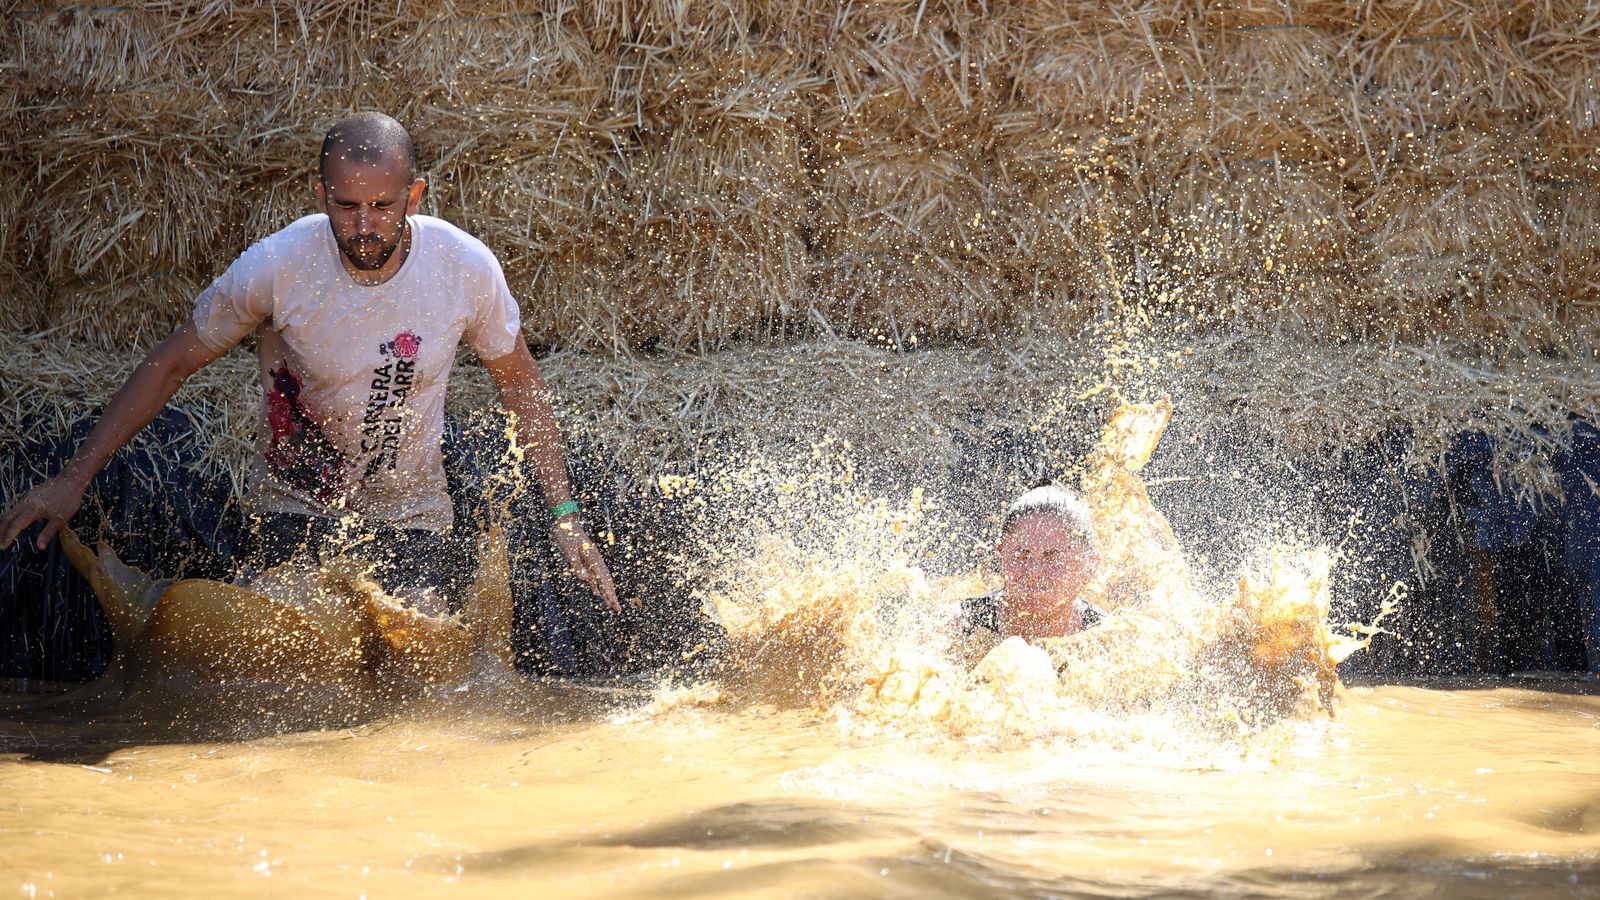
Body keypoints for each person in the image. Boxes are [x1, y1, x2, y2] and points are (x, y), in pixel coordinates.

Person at [0, 112, 619, 617]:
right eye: (347, 206)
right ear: (320, 193)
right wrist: (74, 479)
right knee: (285, 652)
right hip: (295, 506)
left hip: (413, 516)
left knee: (419, 639)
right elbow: (169, 364)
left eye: (383, 205)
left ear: (415, 195)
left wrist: (564, 516)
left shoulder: (463, 268)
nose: (365, 226)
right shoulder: (278, 265)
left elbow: (520, 384)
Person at [957, 482, 1107, 660]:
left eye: (1053, 558)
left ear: (1089, 567)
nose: (1034, 572)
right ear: (1001, 557)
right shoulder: (958, 626)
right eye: (1021, 556)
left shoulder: (1107, 641)